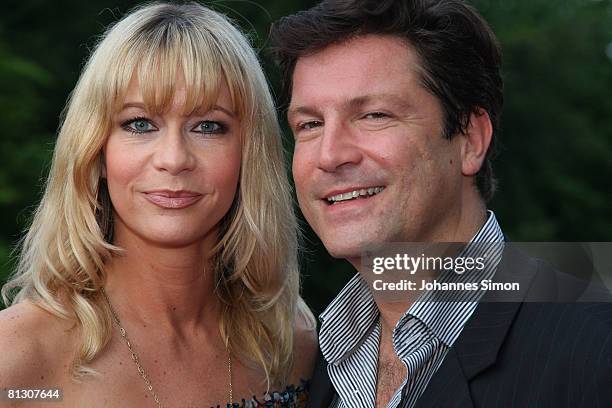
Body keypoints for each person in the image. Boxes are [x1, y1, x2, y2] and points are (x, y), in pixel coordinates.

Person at [270, 0, 612, 407]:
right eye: (309, 124)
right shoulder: (308, 362)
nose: (329, 155)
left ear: (470, 140)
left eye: (374, 115)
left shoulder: (595, 355)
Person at [0, 2, 317, 407]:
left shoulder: (298, 347)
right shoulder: (16, 360)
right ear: (96, 152)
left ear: (249, 156)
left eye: (208, 126)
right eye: (139, 124)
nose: (173, 158)